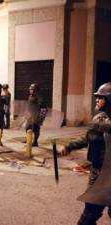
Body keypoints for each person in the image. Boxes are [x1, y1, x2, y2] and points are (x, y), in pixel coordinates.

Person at [59, 82, 111, 225]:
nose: (97, 100)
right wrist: (70, 146)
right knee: (90, 213)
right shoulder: (99, 118)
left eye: (101, 98)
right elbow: (88, 138)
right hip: (97, 172)